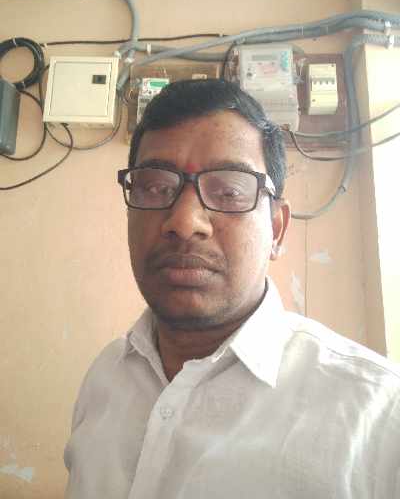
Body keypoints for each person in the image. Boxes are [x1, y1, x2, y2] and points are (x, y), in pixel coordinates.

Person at [64, 79, 400, 499]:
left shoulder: (378, 417)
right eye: (155, 187)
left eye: (229, 191)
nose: (184, 222)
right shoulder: (106, 376)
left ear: (276, 229)